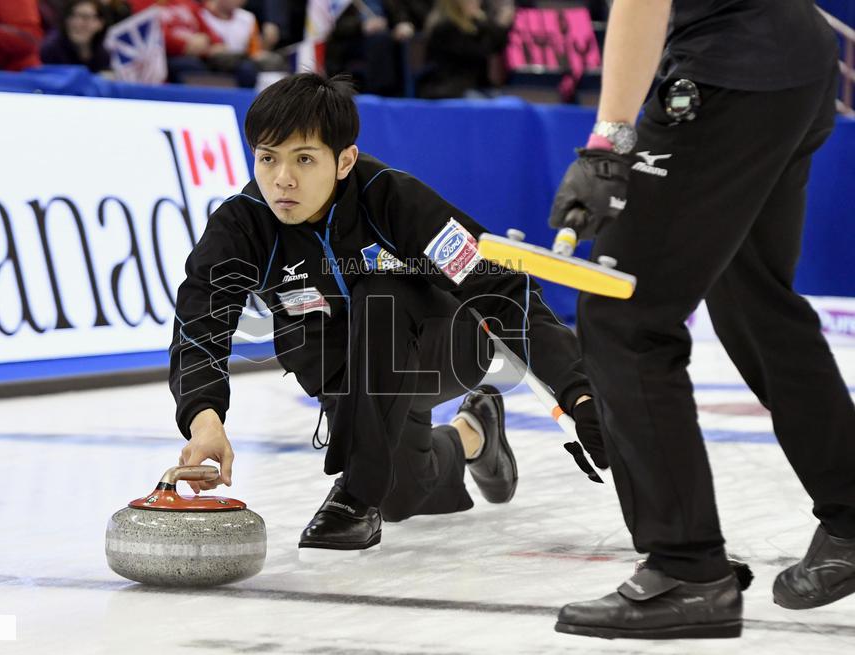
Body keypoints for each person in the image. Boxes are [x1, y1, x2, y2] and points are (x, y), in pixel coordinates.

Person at [169, 73, 607, 553]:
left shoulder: (393, 199)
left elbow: (501, 287)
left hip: (441, 348)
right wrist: (204, 418)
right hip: (346, 381)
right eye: (268, 158)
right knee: (400, 498)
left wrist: (579, 391)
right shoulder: (241, 225)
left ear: (344, 161)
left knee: (379, 287)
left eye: (304, 159)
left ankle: (356, 494)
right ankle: (474, 434)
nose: (282, 179)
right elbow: (200, 323)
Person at [546, 0, 855, 640]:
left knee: (623, 313)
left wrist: (609, 144)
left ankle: (687, 572)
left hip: (730, 69)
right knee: (754, 296)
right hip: (795, 56)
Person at [417, 0, 514, 99]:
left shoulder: (475, 25)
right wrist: (498, 26)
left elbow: (497, 47)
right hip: (448, 88)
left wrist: (492, 25)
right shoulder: (445, 27)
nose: (477, 3)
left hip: (474, 87)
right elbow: (479, 52)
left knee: (509, 102)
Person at [40, 0, 110, 72]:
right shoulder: (51, 49)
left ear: (100, 23)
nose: (77, 23)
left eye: (85, 17)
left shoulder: (102, 53)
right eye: (72, 15)